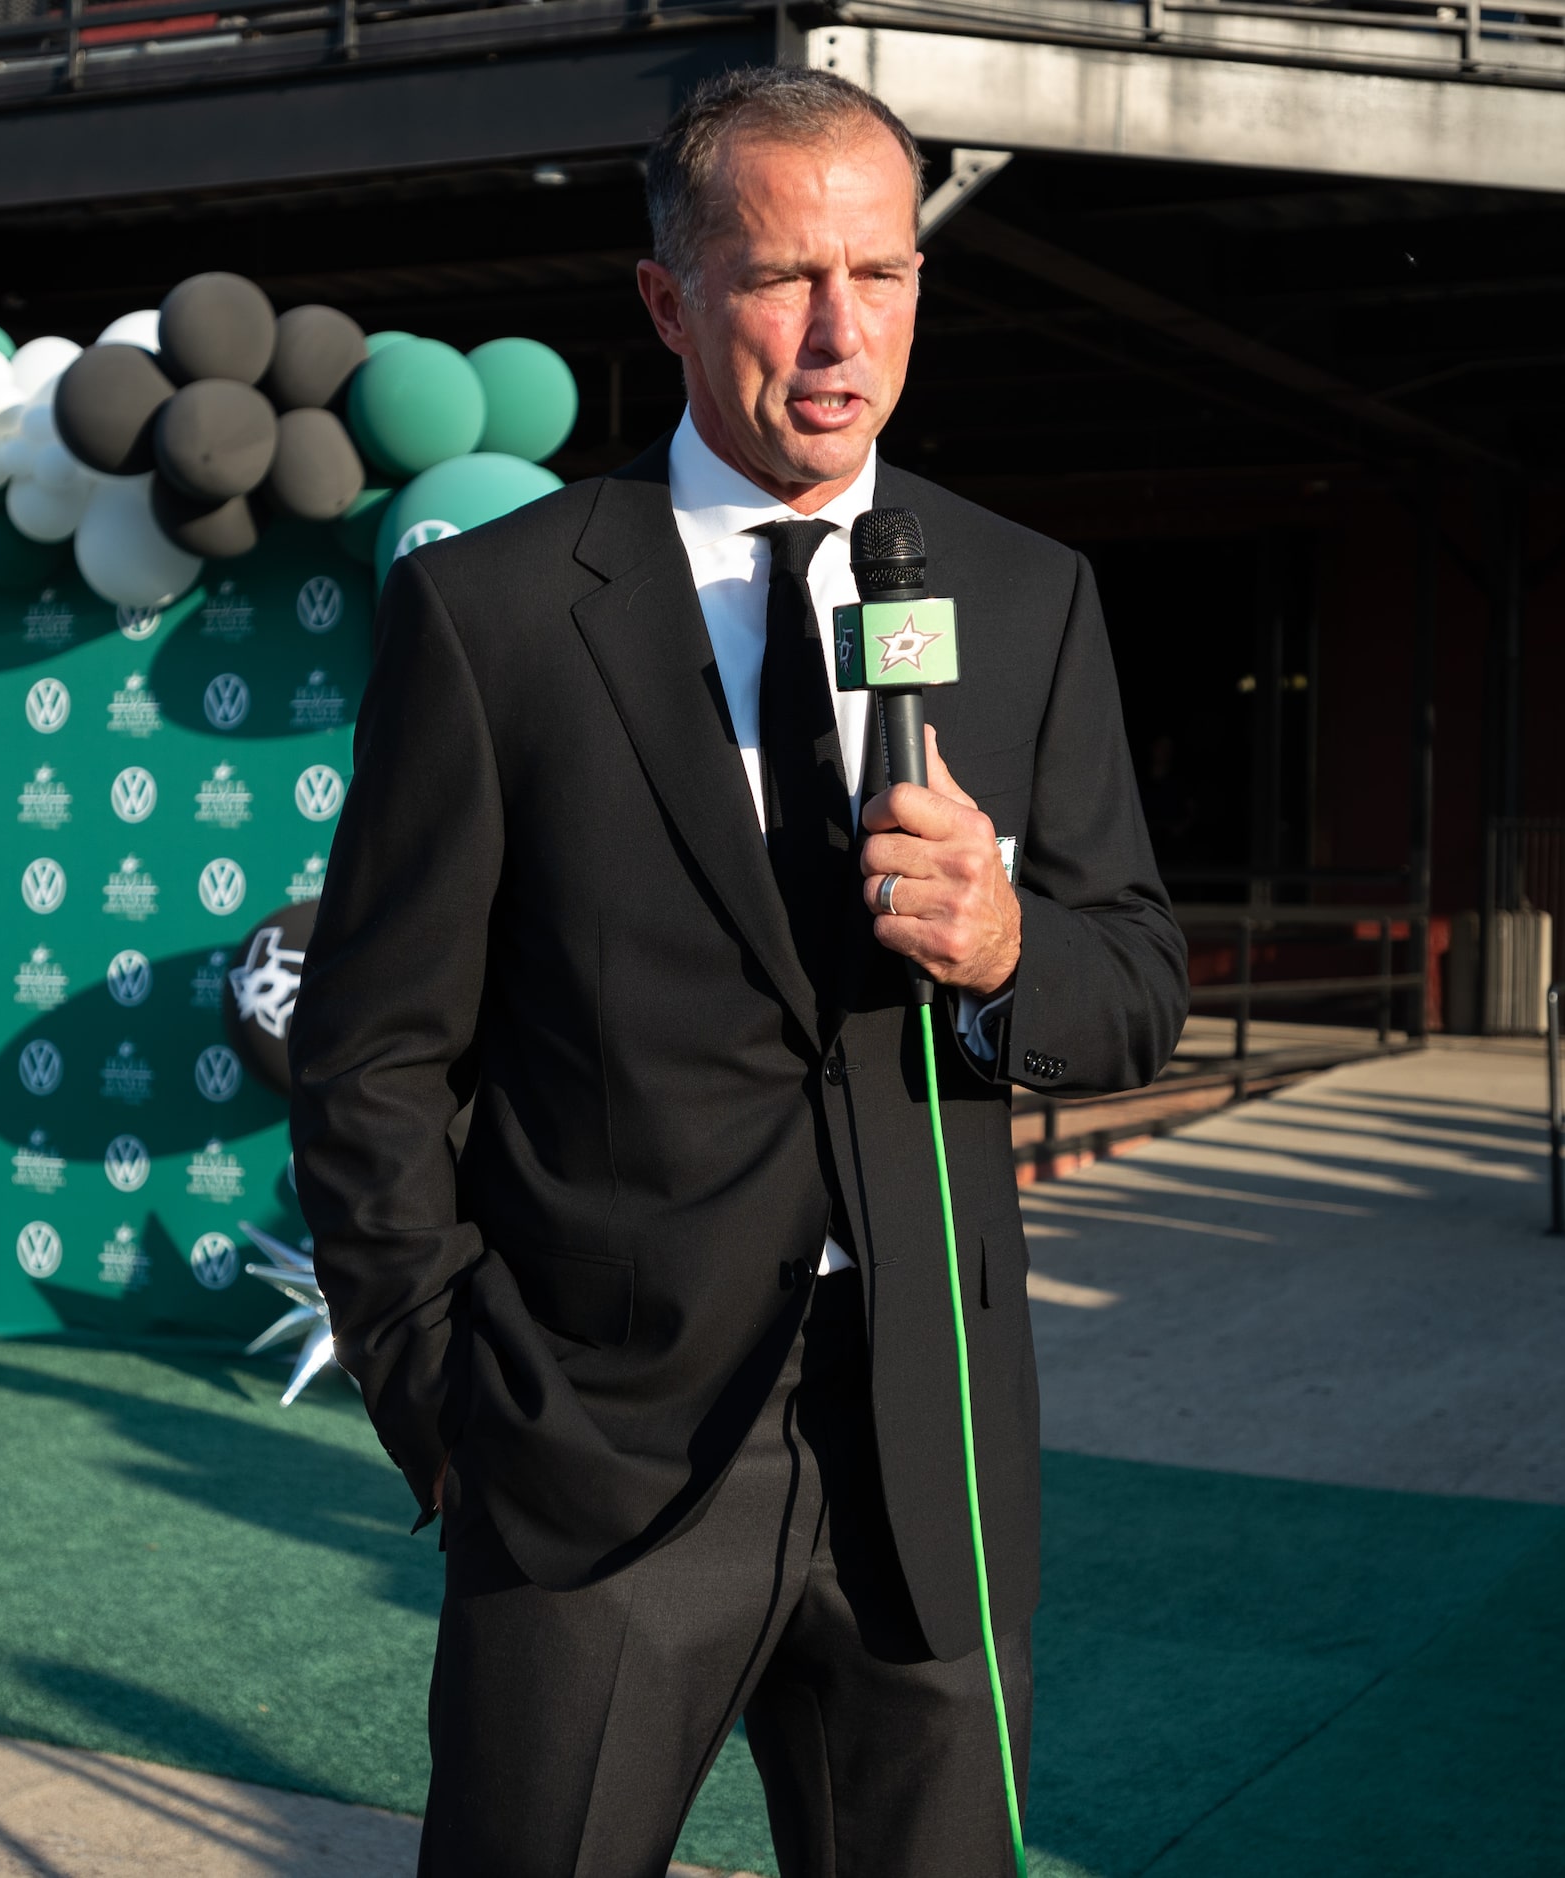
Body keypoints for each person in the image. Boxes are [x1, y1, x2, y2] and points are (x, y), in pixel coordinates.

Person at [289, 67, 1189, 1876]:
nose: (841, 330)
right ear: (666, 299)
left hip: (922, 1445)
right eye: (783, 277)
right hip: (586, 1451)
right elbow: (371, 1050)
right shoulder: (493, 614)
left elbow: (1135, 983)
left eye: (885, 272)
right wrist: (442, 1396)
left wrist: (1007, 945)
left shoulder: (1024, 597)